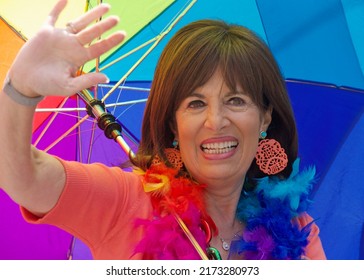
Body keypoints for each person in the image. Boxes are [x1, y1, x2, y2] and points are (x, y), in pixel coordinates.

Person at [0, 0, 326, 260]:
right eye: (196, 104)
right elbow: (23, 178)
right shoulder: (123, 200)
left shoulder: (295, 231)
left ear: (265, 118)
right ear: (173, 122)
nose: (216, 121)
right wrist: (21, 90)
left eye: (236, 100)